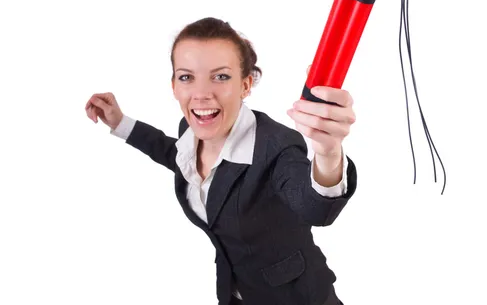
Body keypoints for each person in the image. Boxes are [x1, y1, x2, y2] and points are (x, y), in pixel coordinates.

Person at [85, 17, 358, 305]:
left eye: (221, 76)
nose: (202, 94)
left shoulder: (276, 146)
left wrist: (328, 152)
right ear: (174, 86)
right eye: (187, 77)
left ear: (245, 84)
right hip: (236, 295)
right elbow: (175, 156)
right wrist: (121, 123)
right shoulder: (189, 130)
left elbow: (314, 208)